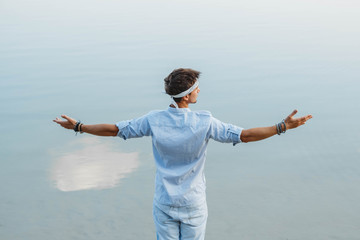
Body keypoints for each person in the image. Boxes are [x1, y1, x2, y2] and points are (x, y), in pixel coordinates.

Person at [53, 68, 312, 240]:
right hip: (193, 204)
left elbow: (115, 130)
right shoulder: (205, 121)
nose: (199, 91)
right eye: (197, 88)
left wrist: (79, 126)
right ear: (187, 96)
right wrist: (281, 127)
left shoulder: (153, 120)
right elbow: (244, 136)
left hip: (164, 202)